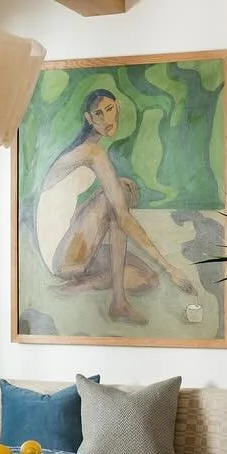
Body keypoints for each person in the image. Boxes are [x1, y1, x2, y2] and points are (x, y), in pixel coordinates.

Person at [33, 88, 198, 324]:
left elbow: (65, 209)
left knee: (148, 278)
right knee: (120, 197)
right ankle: (118, 302)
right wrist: (169, 266)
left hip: (68, 246)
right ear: (89, 119)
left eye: (109, 110)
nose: (106, 119)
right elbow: (122, 216)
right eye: (98, 114)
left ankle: (84, 284)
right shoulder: (92, 151)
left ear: (117, 106)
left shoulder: (86, 148)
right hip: (60, 255)